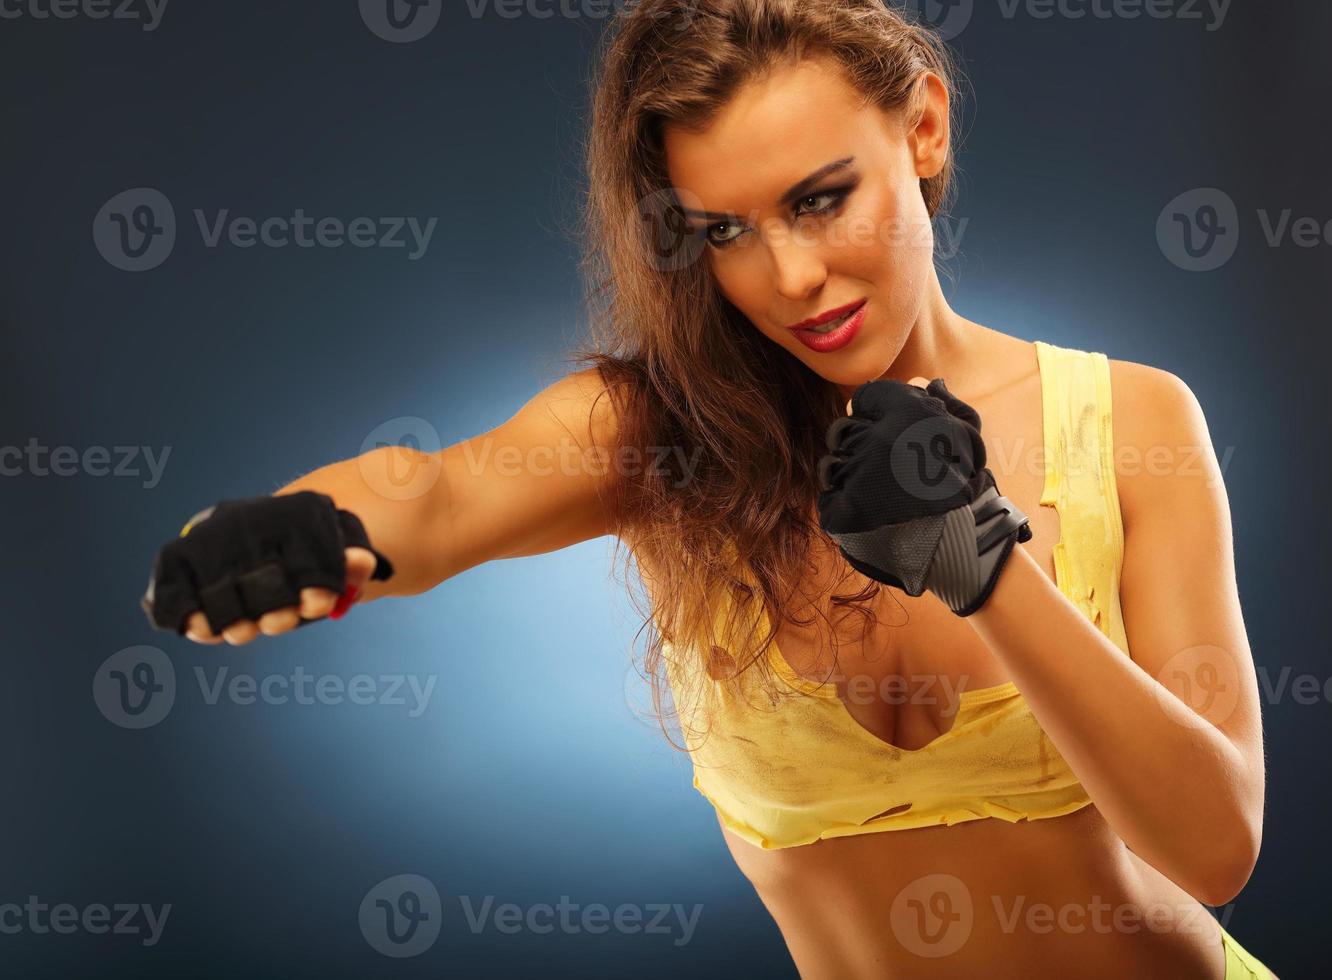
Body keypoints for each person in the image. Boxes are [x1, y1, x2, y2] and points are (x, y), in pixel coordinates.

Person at [141, 2, 1274, 976]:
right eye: (725, 229)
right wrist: (295, 528)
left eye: (823, 198)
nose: (790, 277)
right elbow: (433, 499)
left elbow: (1213, 844)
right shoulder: (669, 439)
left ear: (922, 126)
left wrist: (985, 559)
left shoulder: (1134, 421)